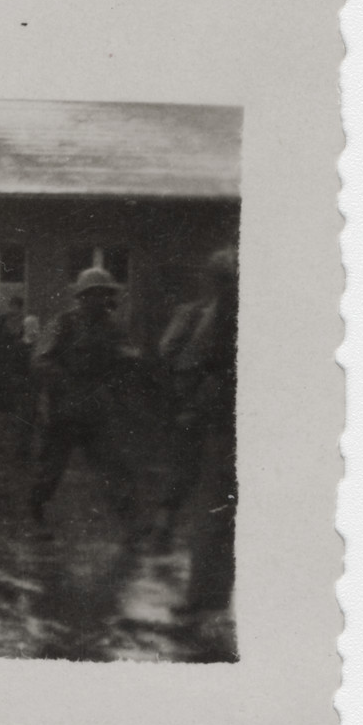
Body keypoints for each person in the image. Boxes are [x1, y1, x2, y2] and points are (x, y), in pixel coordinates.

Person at [154, 247, 239, 622]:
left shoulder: (217, 314)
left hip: (222, 420)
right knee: (216, 509)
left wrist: (191, 402)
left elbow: (189, 359)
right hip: (221, 419)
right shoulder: (212, 313)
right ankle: (210, 595)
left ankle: (208, 596)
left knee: (214, 510)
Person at [28, 267, 144, 542]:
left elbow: (125, 358)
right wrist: (64, 379)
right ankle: (37, 517)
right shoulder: (63, 323)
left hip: (96, 411)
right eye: (96, 295)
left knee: (113, 466)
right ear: (83, 297)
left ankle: (130, 525)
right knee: (51, 470)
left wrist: (128, 363)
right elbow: (40, 359)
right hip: (64, 411)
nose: (102, 300)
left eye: (106, 295)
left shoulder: (113, 328)